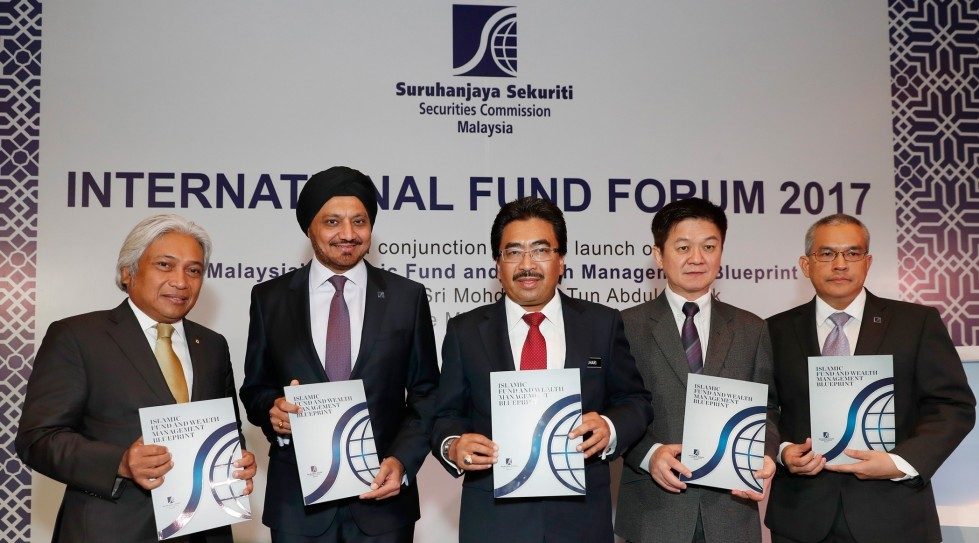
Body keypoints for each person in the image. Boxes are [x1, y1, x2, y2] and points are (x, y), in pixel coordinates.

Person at [16, 214, 257, 542]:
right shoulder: (77, 337)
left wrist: (237, 461)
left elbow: (228, 430)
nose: (181, 281)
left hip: (204, 529)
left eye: (193, 270)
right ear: (128, 272)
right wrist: (121, 462)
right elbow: (39, 439)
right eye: (165, 265)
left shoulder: (212, 345)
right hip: (110, 531)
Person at [431, 196, 654, 543]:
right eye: (513, 252)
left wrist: (609, 427)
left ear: (561, 260)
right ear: (497, 264)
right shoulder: (465, 331)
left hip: (581, 519)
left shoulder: (602, 324)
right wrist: (453, 445)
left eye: (540, 250)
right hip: (492, 520)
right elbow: (444, 415)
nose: (527, 264)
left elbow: (634, 401)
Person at [239, 166, 439, 543]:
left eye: (359, 221)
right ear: (309, 228)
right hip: (298, 504)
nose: (348, 234)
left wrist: (402, 460)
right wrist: (272, 410)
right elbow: (255, 388)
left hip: (383, 503)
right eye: (332, 221)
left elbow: (427, 393)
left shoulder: (406, 298)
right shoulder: (270, 299)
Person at [765, 213, 976, 543]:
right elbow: (764, 407)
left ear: (868, 262)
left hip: (896, 515)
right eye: (826, 253)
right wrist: (783, 451)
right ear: (806, 265)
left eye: (852, 253)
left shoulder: (916, 323)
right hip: (801, 518)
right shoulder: (772, 330)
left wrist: (901, 462)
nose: (840, 264)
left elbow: (953, 406)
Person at [615, 197, 777, 543]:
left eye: (709, 246)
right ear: (659, 255)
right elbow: (614, 409)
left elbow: (768, 408)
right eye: (683, 247)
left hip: (731, 514)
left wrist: (766, 452)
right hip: (654, 512)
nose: (697, 258)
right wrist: (648, 455)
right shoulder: (625, 326)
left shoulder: (751, 328)